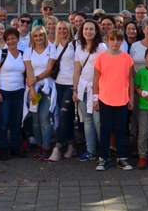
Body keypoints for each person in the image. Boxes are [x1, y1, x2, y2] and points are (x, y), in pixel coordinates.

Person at [93, 29, 135, 171]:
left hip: (122, 99)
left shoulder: (127, 58)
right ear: (107, 40)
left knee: (121, 129)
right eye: (112, 39)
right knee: (105, 129)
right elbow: (96, 79)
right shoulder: (100, 58)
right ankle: (104, 158)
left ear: (122, 41)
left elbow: (130, 80)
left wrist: (131, 99)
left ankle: (121, 158)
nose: (115, 42)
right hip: (105, 99)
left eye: (118, 40)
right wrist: (95, 99)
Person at [73, 20, 107, 162]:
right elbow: (76, 70)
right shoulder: (79, 47)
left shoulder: (101, 47)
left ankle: (105, 151)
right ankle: (91, 151)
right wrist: (74, 89)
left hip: (97, 89)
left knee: (98, 121)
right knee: (87, 121)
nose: (88, 31)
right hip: (82, 88)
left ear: (96, 31)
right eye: (86, 29)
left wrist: (101, 91)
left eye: (91, 29)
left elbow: (106, 70)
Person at [0, 28, 26, 160]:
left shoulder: (23, 54)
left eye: (13, 38)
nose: (11, 41)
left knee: (17, 121)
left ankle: (15, 148)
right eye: (8, 39)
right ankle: (2, 149)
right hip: (4, 92)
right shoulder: (0, 54)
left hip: (19, 91)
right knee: (3, 121)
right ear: (5, 41)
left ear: (18, 39)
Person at [24, 26, 56, 160]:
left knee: (44, 118)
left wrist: (36, 79)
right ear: (32, 38)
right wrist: (31, 90)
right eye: (36, 36)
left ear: (45, 36)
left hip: (46, 88)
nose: (38, 38)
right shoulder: (28, 51)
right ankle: (38, 144)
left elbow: (49, 69)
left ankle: (46, 147)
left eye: (41, 35)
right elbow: (29, 71)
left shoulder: (51, 49)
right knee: (35, 120)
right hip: (33, 88)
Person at [49, 20, 76, 161]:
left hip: (71, 84)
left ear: (69, 30)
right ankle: (71, 146)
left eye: (65, 29)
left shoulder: (75, 45)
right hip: (58, 84)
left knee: (64, 115)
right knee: (66, 116)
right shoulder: (54, 46)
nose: (62, 31)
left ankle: (58, 147)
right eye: (59, 29)